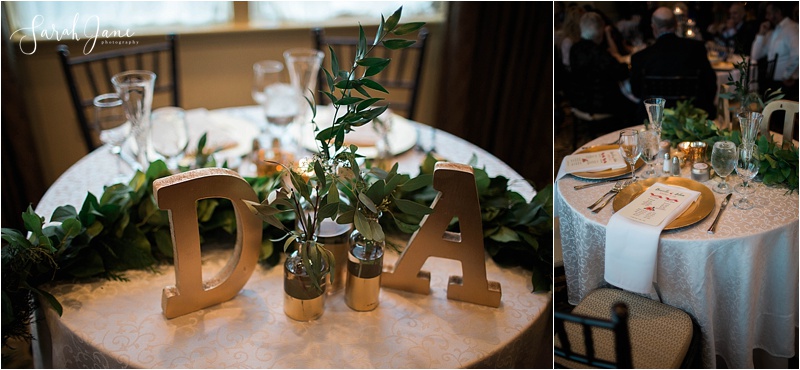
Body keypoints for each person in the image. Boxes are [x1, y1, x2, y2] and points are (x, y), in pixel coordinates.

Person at [630, 7, 717, 119]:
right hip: (692, 118)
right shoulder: (697, 49)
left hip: (655, 119)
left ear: (654, 27)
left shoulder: (640, 57)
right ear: (676, 24)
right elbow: (710, 85)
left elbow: (636, 92)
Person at [567, 12, 636, 126]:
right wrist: (629, 65)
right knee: (636, 104)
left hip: (579, 101)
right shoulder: (598, 52)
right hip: (600, 103)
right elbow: (621, 73)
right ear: (600, 30)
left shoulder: (574, 49)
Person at [751, 2, 799, 100]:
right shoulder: (773, 31)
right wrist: (761, 34)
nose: (766, 16)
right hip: (771, 83)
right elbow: (755, 56)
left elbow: (797, 54)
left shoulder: (792, 28)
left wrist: (787, 75)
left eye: (768, 13)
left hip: (785, 84)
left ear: (778, 12)